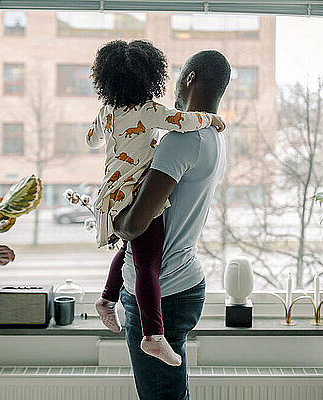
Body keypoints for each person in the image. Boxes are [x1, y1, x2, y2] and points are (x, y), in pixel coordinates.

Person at [86, 40, 226, 367]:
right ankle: (149, 332)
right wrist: (210, 119)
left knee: (130, 251)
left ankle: (122, 312)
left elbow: (91, 139)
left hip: (114, 193)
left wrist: (114, 223)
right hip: (174, 269)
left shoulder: (108, 112)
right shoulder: (162, 118)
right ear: (151, 78)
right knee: (142, 258)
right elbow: (183, 121)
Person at [113, 49, 231, 400]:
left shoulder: (181, 140)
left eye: (180, 76)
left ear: (190, 78)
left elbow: (134, 226)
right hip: (183, 282)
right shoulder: (214, 137)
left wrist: (106, 215)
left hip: (163, 292)